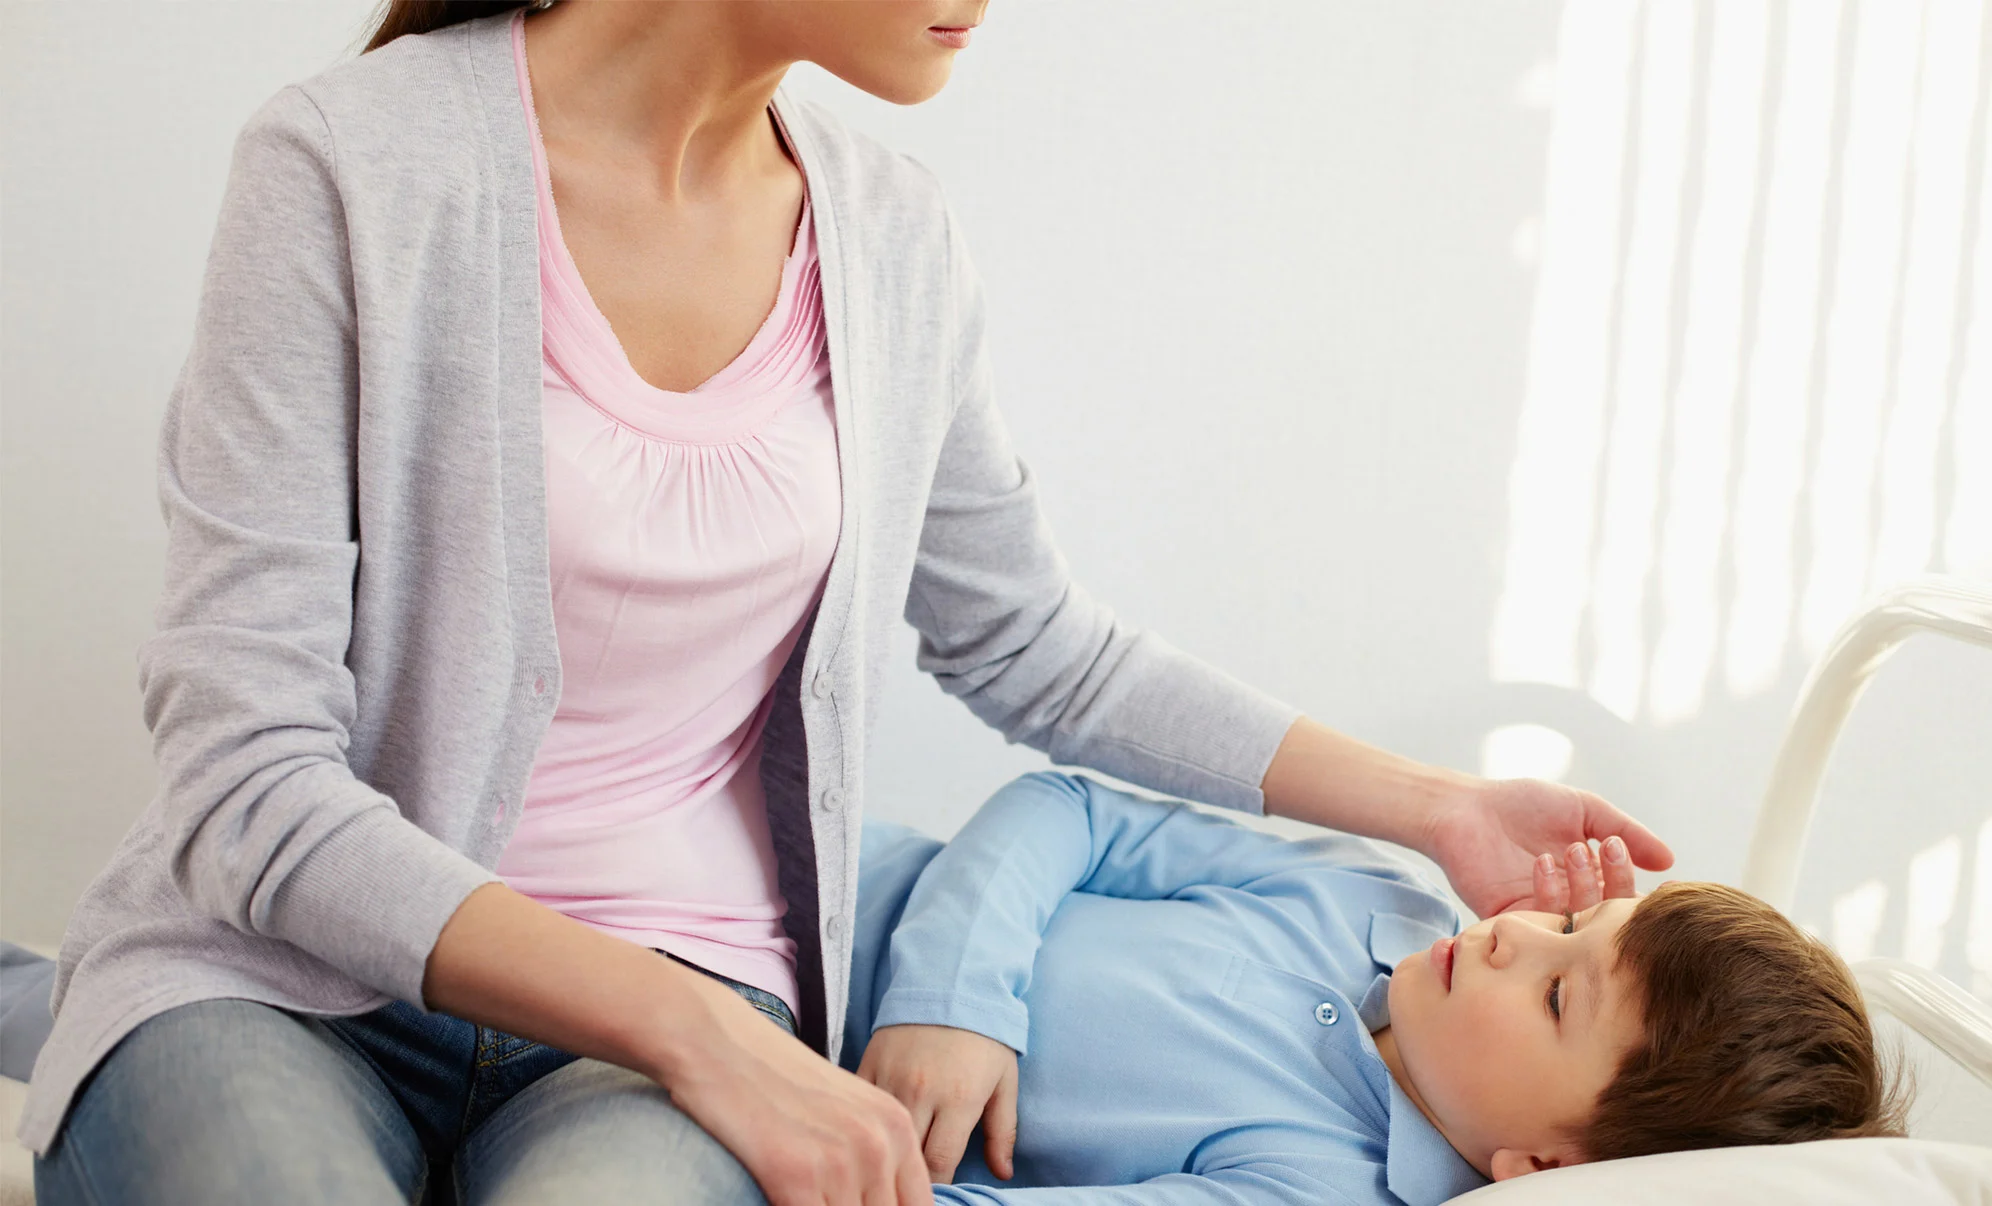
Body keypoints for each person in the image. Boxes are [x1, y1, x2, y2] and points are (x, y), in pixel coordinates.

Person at [24, 3, 1674, 1204]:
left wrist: (1444, 808)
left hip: (691, 1016)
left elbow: (1033, 642)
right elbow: (246, 785)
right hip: (287, 983)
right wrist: (694, 1033)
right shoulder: (351, 169)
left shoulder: (890, 241)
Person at [844, 774, 1907, 1205]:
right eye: (1570, 925)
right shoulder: (1380, 899)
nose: (1515, 938)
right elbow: (1064, 805)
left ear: (1542, 1166)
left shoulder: (1320, 1186)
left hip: (771, 1074)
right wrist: (951, 999)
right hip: (799, 871)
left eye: (1555, 998)